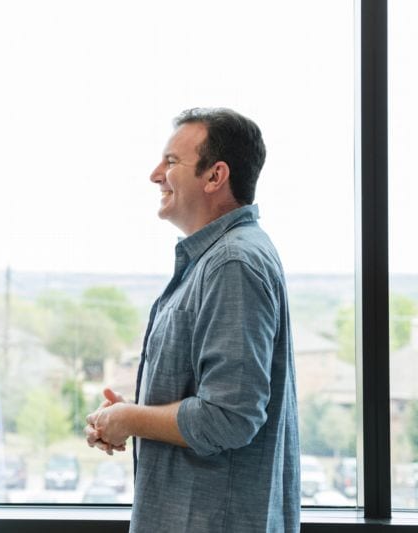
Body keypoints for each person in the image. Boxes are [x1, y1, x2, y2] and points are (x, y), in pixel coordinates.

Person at [85, 108, 300, 532]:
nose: (155, 175)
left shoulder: (232, 263)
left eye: (170, 162)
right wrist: (132, 413)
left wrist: (129, 419)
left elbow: (230, 416)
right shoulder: (223, 257)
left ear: (215, 176)